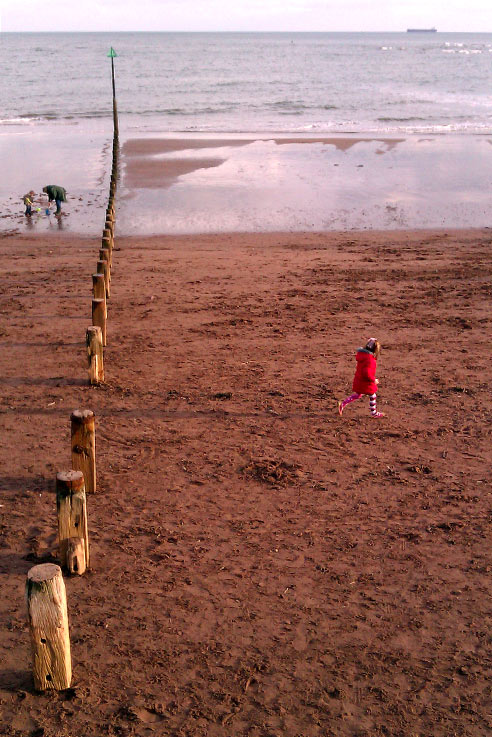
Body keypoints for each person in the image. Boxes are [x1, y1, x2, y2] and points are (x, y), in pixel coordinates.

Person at [338, 337, 385, 418]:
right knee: (372, 395)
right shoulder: (370, 360)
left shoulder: (362, 356)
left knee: (358, 394)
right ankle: (373, 413)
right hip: (365, 382)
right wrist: (374, 380)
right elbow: (367, 373)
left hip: (359, 379)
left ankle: (343, 404)